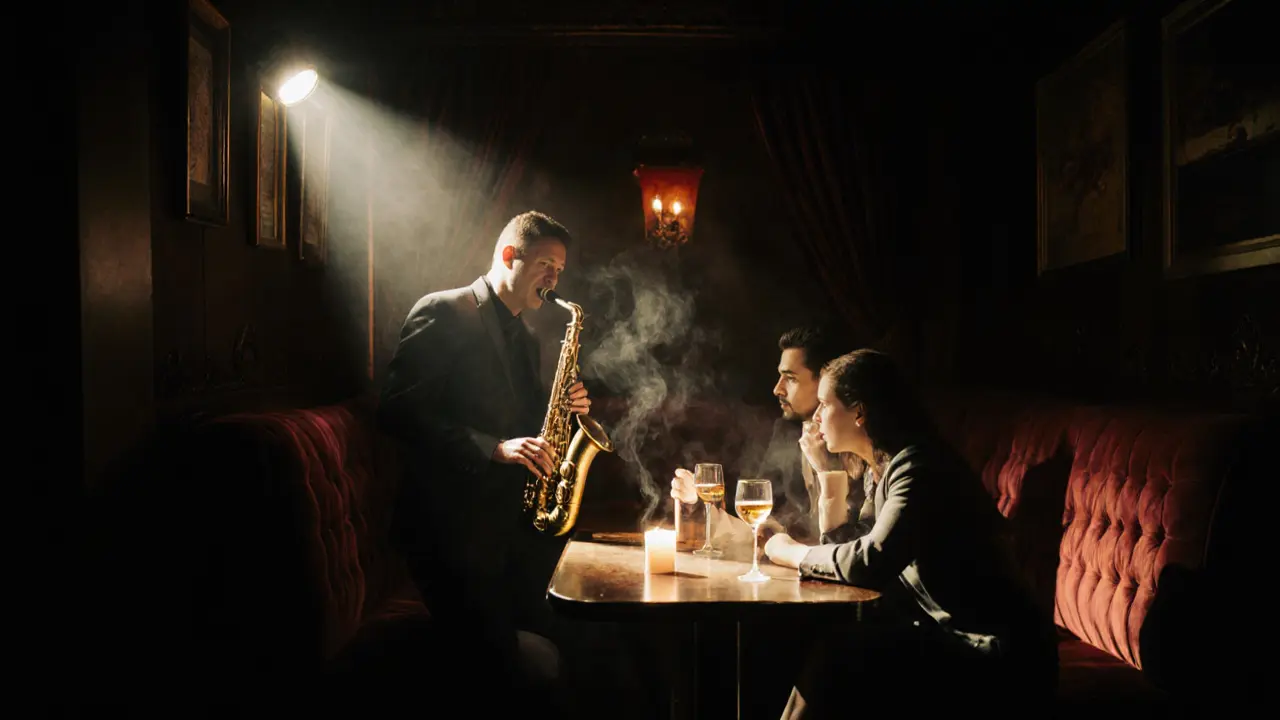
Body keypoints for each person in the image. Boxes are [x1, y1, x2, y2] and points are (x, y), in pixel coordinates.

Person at [763, 349, 1059, 719]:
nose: (817, 416)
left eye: (825, 403)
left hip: (997, 655)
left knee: (839, 655)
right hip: (949, 637)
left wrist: (792, 553)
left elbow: (869, 561)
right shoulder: (882, 469)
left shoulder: (918, 466)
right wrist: (826, 473)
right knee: (818, 645)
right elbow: (851, 557)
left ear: (859, 412)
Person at [376, 211, 590, 711]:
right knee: (504, 667)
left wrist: (570, 404)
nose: (554, 280)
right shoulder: (442, 311)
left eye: (560, 270)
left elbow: (531, 420)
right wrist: (492, 447)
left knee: (581, 639)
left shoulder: (528, 334)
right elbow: (396, 411)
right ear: (509, 256)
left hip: (501, 529)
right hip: (446, 533)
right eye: (545, 265)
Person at [669, 325, 873, 547]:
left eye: (791, 378)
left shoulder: (866, 449)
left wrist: (827, 469)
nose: (777, 389)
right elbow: (759, 526)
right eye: (780, 376)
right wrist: (697, 505)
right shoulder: (787, 433)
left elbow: (851, 549)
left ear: (827, 380)